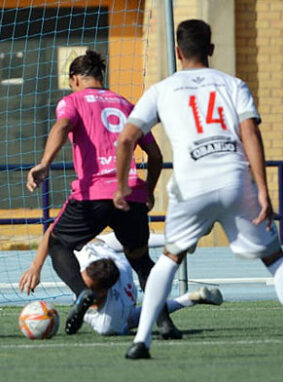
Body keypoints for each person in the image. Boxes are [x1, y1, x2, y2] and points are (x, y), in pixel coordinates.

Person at [114, 20, 283, 359]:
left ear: (177, 52)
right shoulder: (234, 85)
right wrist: (263, 188)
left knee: (170, 258)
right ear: (211, 49)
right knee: (275, 258)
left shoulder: (161, 89)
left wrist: (121, 186)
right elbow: (250, 134)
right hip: (235, 181)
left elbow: (127, 138)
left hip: (191, 186)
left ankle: (141, 342)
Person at [25, 50, 180, 338]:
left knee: (58, 243)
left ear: (74, 79)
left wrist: (45, 163)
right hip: (130, 194)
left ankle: (83, 293)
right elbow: (155, 154)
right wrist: (148, 189)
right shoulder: (127, 105)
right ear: (101, 76)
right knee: (142, 260)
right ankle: (164, 322)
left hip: (93, 194)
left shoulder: (71, 101)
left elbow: (62, 125)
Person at [20, 230, 223, 336]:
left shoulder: (107, 322)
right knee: (122, 241)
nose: (77, 282)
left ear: (102, 292)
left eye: (86, 287)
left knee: (134, 318)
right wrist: (35, 267)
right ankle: (176, 238)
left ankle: (187, 299)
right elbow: (57, 234)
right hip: (107, 251)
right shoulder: (93, 263)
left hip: (124, 299)